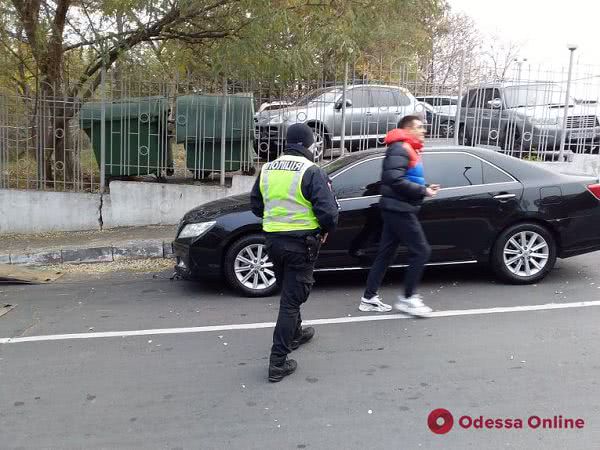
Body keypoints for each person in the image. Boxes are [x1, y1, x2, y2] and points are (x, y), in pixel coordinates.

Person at [251, 123, 339, 382]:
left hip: (273, 243)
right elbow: (329, 213)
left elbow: (256, 205)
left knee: (290, 292)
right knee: (290, 301)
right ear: (308, 144)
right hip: (301, 244)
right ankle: (277, 362)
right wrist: (324, 229)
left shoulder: (267, 169)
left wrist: (277, 221)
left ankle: (296, 333)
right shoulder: (311, 171)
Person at [358, 115, 440, 316]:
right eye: (419, 127)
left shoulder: (406, 148)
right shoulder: (400, 148)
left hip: (396, 207)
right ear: (408, 129)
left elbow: (401, 179)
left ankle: (369, 298)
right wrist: (423, 191)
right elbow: (393, 179)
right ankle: (408, 298)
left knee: (386, 254)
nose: (423, 131)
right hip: (399, 209)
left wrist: (425, 187)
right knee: (421, 251)